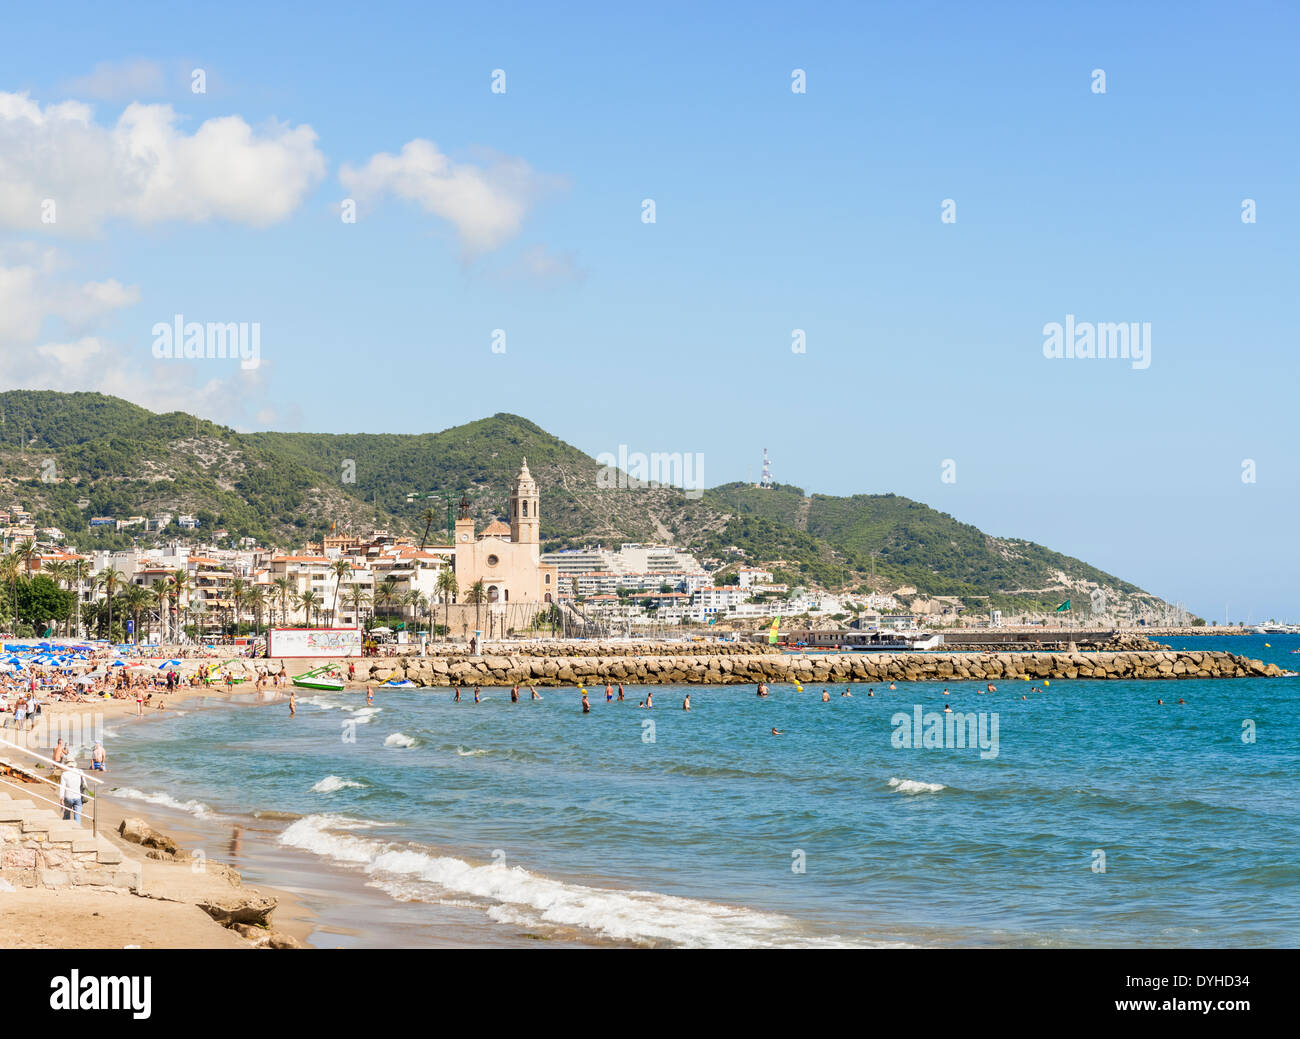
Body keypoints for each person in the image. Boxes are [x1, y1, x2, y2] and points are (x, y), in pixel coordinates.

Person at [59, 759, 85, 823]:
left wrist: (61, 798)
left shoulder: (64, 774)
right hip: (78, 796)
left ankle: (67, 827)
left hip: (68, 797)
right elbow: (84, 784)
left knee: (67, 814)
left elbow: (62, 787)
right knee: (77, 816)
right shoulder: (80, 771)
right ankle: (77, 829)